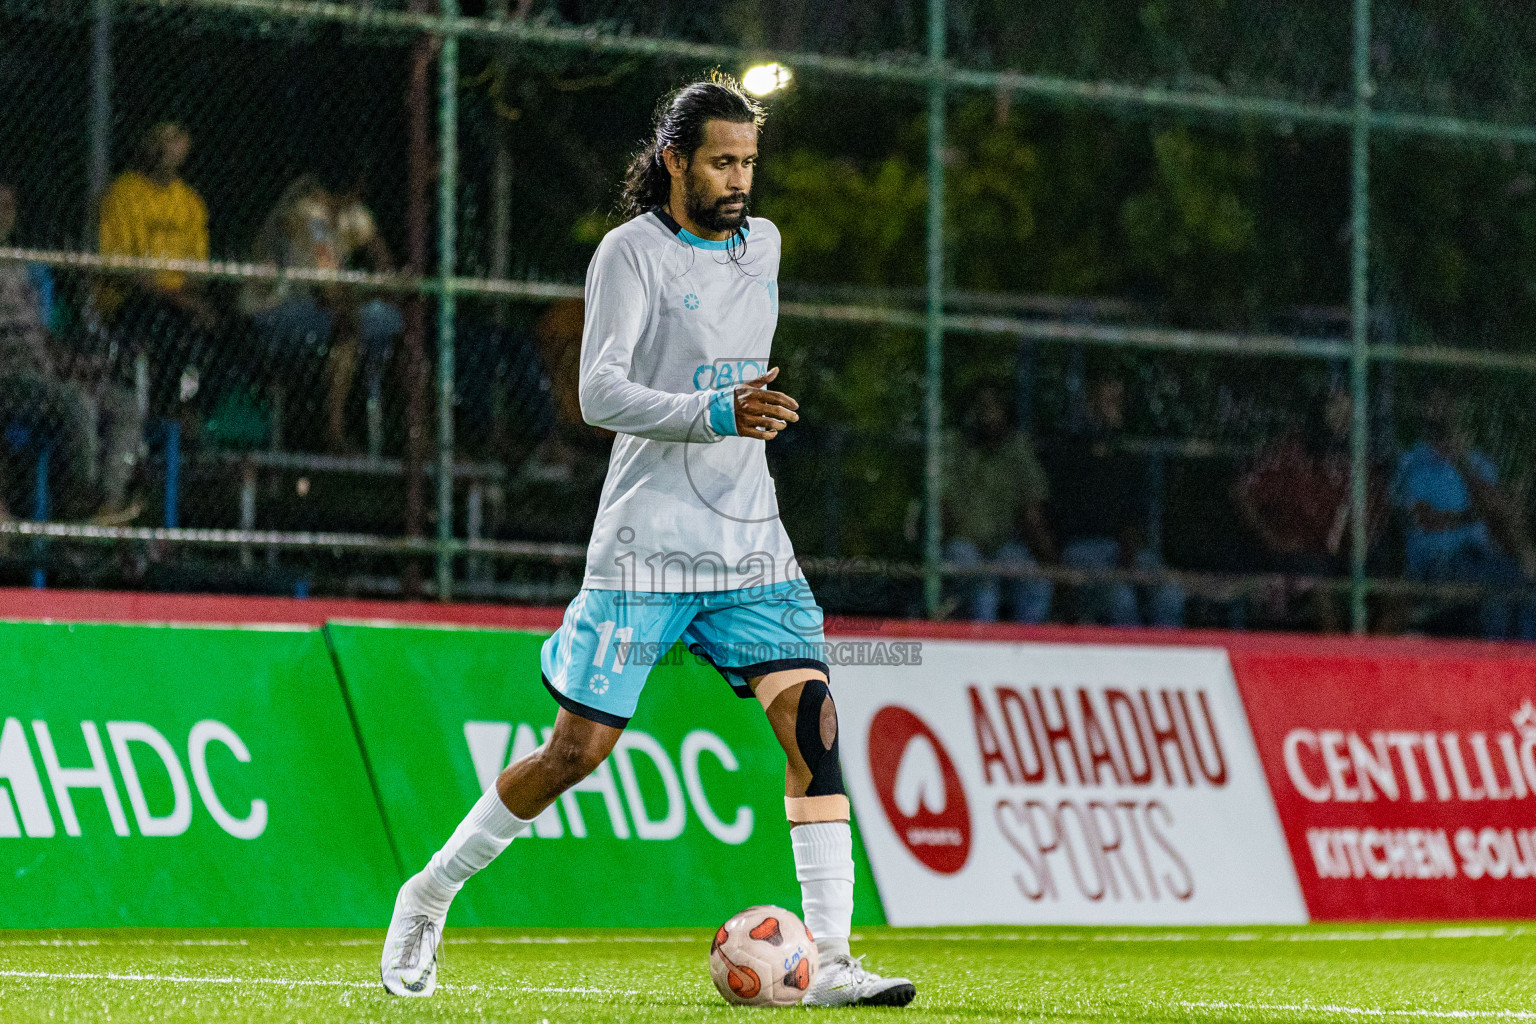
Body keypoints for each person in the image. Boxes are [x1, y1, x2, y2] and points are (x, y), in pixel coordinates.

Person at [379, 74, 915, 1008]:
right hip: (646, 548)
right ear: (673, 160)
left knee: (815, 723)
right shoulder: (629, 254)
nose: (740, 179)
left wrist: (735, 420)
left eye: (749, 161)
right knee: (574, 755)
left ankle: (827, 957)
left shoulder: (767, 247)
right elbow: (599, 393)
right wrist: (718, 410)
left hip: (749, 543)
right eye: (721, 161)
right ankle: (428, 896)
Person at [1, 183, 142, 527]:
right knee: (75, 401)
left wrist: (76, 364)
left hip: (41, 370)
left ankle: (108, 502)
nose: (4, 214)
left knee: (124, 404)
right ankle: (80, 499)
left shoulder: (19, 266)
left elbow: (40, 337)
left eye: (9, 207)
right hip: (8, 376)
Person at [240, 175, 403, 453]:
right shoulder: (307, 214)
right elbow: (326, 291)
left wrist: (390, 288)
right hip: (275, 310)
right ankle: (333, 433)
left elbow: (385, 269)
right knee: (347, 324)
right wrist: (366, 294)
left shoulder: (349, 213)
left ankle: (419, 436)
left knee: (399, 323)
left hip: (318, 310)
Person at [1233, 387, 1384, 632]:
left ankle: (1376, 663)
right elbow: (1242, 491)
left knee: (1391, 590)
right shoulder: (1290, 451)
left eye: (1348, 413)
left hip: (1344, 555)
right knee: (1319, 585)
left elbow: (1372, 514)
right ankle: (1341, 662)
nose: (1343, 419)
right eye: (1335, 410)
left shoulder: (1357, 457)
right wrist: (1273, 538)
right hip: (1298, 556)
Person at [97, 122, 220, 423]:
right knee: (166, 326)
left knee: (230, 328)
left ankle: (192, 411)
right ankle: (162, 412)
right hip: (131, 301)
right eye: (163, 140)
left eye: (177, 139)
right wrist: (177, 299)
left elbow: (196, 271)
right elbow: (122, 269)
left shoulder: (190, 202)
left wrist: (191, 300)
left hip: (178, 300)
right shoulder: (124, 193)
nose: (169, 148)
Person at [1394, 385, 1536, 640]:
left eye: (1446, 406)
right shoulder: (1412, 462)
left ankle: (1525, 667)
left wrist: (1462, 462)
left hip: (1480, 557)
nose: (1441, 412)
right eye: (1434, 406)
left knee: (1525, 586)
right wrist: (1476, 515)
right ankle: (1496, 669)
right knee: (1494, 593)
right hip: (1436, 562)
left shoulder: (1477, 462)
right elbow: (1426, 519)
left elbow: (1500, 510)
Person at [1050, 370, 1184, 627]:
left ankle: (1165, 664)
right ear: (1089, 403)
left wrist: (1127, 557)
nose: (1115, 408)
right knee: (1120, 599)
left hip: (1123, 551)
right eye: (1108, 400)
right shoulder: (1065, 451)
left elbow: (1134, 521)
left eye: (1118, 400)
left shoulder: (1127, 455)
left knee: (1171, 593)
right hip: (1080, 550)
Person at [943, 381, 1055, 622]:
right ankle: (982, 655)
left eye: (995, 407)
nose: (988, 415)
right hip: (962, 547)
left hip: (1005, 549)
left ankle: (1028, 653)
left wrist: (1051, 563)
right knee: (984, 590)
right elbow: (940, 509)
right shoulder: (954, 446)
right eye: (982, 408)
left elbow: (1032, 514)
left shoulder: (1017, 449)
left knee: (1038, 585)